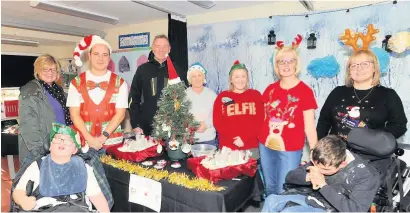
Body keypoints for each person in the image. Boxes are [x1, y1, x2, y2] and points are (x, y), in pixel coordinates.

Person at [67, 35, 128, 208]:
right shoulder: (76, 83)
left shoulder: (120, 83)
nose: (101, 58)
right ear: (89, 56)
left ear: (109, 58)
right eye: (96, 54)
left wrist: (102, 137)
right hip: (85, 143)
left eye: (105, 54)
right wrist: (90, 138)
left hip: (112, 142)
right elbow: (74, 114)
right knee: (90, 186)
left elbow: (120, 114)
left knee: (115, 183)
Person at [258, 38, 318, 196]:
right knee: (270, 187)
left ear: (296, 63)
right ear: (276, 66)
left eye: (290, 61)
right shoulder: (270, 89)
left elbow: (309, 126)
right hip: (265, 144)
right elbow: (264, 118)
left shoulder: (305, 91)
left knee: (283, 188)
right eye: (281, 61)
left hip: (290, 148)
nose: (286, 65)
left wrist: (315, 151)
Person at [261, 135, 381, 212]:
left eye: (325, 170)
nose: (318, 169)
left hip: (333, 207)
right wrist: (309, 176)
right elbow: (290, 177)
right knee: (271, 200)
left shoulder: (366, 176)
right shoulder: (325, 157)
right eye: (314, 164)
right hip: (313, 197)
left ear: (343, 164)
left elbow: (355, 210)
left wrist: (323, 185)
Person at [12, 123, 110, 212]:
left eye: (68, 140)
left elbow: (97, 197)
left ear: (75, 149)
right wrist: (23, 200)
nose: (62, 142)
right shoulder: (37, 166)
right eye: (57, 138)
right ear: (49, 146)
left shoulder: (85, 169)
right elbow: (18, 191)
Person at [317, 49, 407, 141]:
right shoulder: (337, 92)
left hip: (371, 152)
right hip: (336, 152)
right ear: (349, 71)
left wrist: (374, 138)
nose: (359, 68)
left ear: (375, 68)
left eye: (365, 64)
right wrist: (317, 148)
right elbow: (323, 122)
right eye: (354, 65)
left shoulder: (388, 94)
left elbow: (399, 126)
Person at [18, 54, 73, 165]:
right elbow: (29, 127)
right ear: (38, 71)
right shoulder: (31, 91)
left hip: (59, 144)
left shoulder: (59, 91)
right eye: (45, 69)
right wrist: (40, 153)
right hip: (41, 149)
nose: (50, 72)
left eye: (53, 69)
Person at [129, 34, 188, 136]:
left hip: (173, 127)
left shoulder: (177, 70)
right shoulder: (142, 70)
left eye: (164, 46)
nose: (161, 49)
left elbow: (185, 98)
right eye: (158, 46)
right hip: (146, 127)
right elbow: (134, 99)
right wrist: (135, 124)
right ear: (152, 48)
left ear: (169, 49)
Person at [213, 60, 264, 158]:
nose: (240, 80)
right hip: (228, 148)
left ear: (247, 78)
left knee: (250, 173)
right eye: (236, 76)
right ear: (231, 79)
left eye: (243, 76)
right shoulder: (222, 97)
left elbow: (260, 122)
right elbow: (218, 122)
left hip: (251, 147)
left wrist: (244, 138)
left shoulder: (255, 95)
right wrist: (233, 138)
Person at [185, 63, 218, 147]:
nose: (197, 79)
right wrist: (190, 125)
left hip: (209, 140)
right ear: (189, 79)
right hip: (189, 141)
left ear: (204, 77)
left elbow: (217, 115)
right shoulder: (184, 95)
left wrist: (207, 124)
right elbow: (179, 116)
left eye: (199, 75)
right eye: (194, 76)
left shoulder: (212, 94)